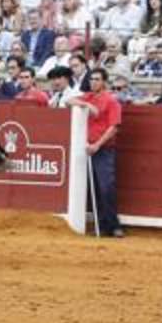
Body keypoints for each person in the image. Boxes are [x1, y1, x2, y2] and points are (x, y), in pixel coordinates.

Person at [69, 68, 123, 237]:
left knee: (106, 187)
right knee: (94, 189)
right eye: (91, 79)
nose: (93, 82)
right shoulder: (88, 97)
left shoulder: (111, 101)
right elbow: (68, 101)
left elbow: (114, 127)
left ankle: (113, 225)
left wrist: (97, 145)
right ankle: (102, 225)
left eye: (97, 79)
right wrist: (86, 104)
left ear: (104, 82)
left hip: (103, 149)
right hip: (85, 148)